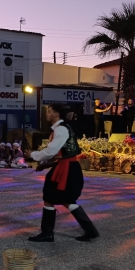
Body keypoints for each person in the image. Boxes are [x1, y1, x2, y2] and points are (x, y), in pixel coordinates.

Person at [25, 103, 100, 242]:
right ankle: (90, 230)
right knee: (64, 199)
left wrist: (33, 155)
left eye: (49, 111)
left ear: (56, 114)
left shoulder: (61, 130)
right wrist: (45, 165)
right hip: (67, 168)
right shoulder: (61, 129)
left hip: (67, 169)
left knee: (51, 197)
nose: (46, 113)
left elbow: (52, 151)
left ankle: (48, 233)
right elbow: (62, 154)